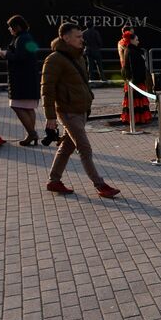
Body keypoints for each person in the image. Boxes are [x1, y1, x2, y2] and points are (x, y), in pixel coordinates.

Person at [40, 23, 120, 198]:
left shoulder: (79, 57)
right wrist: (50, 117)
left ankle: (54, 181)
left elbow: (82, 83)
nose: (82, 40)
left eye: (82, 37)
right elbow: (47, 90)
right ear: (65, 38)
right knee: (84, 148)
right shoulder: (54, 59)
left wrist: (89, 100)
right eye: (78, 37)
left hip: (81, 110)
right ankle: (100, 185)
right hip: (67, 111)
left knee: (66, 147)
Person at [0, 15, 42, 145]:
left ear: (17, 27)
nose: (9, 29)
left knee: (16, 105)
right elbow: (30, 54)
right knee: (29, 107)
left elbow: (20, 57)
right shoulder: (27, 37)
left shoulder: (21, 39)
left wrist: (5, 54)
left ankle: (32, 134)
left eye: (10, 27)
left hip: (21, 79)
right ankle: (31, 135)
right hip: (30, 77)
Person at [117, 29, 153, 124]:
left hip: (136, 81)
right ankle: (137, 119)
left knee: (138, 102)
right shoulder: (131, 51)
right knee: (136, 102)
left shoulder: (133, 50)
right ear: (132, 40)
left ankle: (138, 119)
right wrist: (137, 80)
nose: (138, 41)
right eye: (136, 40)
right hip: (135, 82)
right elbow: (133, 68)